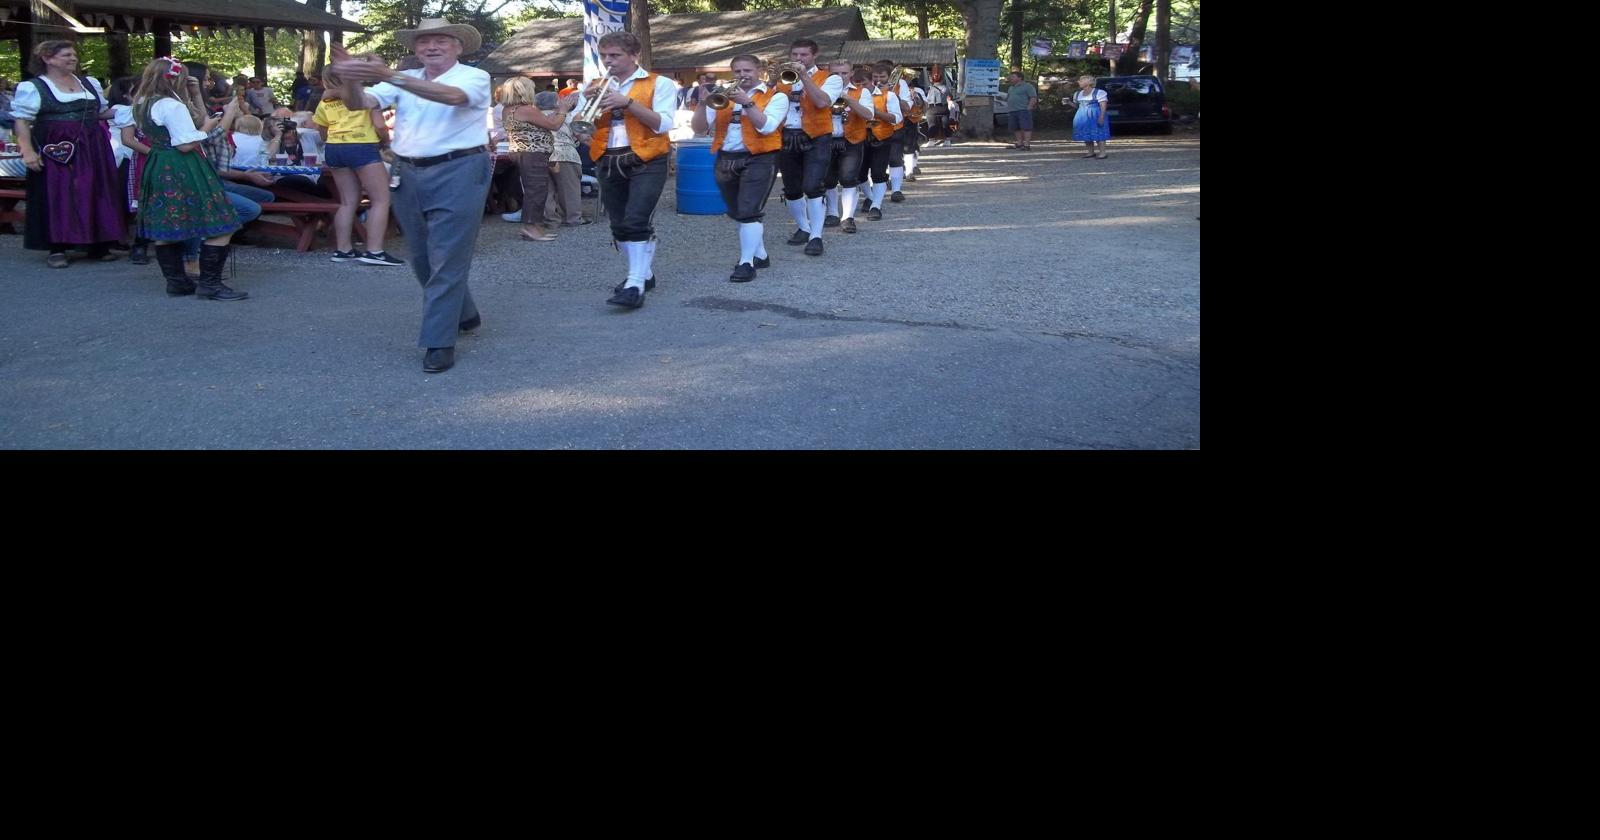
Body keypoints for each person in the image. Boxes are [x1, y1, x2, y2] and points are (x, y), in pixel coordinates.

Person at [329, 17, 493, 374]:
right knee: (420, 257)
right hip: (407, 171)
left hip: (460, 169)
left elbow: (452, 97)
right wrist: (350, 78)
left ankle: (438, 341)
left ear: (458, 47)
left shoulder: (473, 77)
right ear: (414, 49)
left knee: (447, 255)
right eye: (423, 42)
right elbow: (358, 104)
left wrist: (390, 75)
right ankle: (464, 313)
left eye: (441, 41)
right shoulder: (405, 78)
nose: (431, 47)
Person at [567, 30, 679, 309]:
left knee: (636, 220)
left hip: (647, 158)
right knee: (618, 225)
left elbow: (663, 124)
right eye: (604, 56)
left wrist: (627, 102)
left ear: (634, 56)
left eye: (615, 55)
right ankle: (644, 275)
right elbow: (578, 123)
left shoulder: (659, 83)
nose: (608, 61)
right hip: (607, 157)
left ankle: (634, 284)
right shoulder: (596, 84)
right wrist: (584, 108)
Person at [132, 57, 246, 300]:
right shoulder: (171, 106)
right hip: (183, 165)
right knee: (220, 223)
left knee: (168, 225)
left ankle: (177, 282)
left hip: (159, 164)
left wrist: (194, 96)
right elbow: (186, 144)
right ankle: (210, 285)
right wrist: (210, 126)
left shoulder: (141, 102)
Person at [11, 40, 125, 268]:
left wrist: (135, 110)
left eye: (73, 54)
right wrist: (28, 152)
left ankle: (97, 244)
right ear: (47, 58)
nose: (73, 58)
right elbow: (22, 121)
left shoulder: (89, 83)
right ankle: (57, 247)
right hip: (56, 148)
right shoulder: (34, 87)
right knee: (59, 193)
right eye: (66, 55)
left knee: (96, 189)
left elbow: (101, 113)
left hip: (93, 146)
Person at [690, 54, 787, 283]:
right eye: (738, 72)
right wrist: (703, 104)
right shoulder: (723, 96)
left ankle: (746, 263)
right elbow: (699, 129)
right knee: (737, 211)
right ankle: (760, 254)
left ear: (759, 71)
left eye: (747, 71)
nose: (742, 75)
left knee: (748, 210)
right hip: (726, 157)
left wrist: (747, 102)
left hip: (761, 157)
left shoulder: (777, 96)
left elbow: (767, 127)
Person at [312, 64, 401, 265]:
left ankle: (343, 250)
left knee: (347, 202)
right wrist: (386, 142)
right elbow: (379, 125)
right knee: (381, 199)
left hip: (334, 149)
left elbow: (322, 131)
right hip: (362, 146)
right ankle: (374, 251)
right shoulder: (366, 95)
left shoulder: (325, 101)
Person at [774, 39, 844, 257]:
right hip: (788, 135)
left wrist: (804, 76)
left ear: (815, 55)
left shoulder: (830, 78)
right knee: (792, 188)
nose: (798, 59)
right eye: (795, 55)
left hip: (817, 138)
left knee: (813, 186)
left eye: (803, 55)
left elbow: (823, 102)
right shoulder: (783, 79)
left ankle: (816, 236)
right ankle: (803, 228)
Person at [497, 76, 571, 243]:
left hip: (524, 153)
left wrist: (556, 112)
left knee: (535, 190)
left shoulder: (509, 109)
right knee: (536, 191)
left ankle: (535, 226)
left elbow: (543, 122)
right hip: (532, 153)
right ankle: (530, 227)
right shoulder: (525, 109)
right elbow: (554, 125)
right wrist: (563, 111)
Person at [820, 60, 873, 235]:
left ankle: (847, 217)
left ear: (851, 74)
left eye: (844, 73)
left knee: (849, 178)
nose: (840, 77)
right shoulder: (822, 90)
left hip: (852, 140)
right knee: (828, 179)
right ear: (829, 73)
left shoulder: (861, 91)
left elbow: (868, 114)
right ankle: (833, 213)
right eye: (836, 73)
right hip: (826, 138)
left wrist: (849, 99)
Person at [858, 64, 901, 222]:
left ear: (870, 82)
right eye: (858, 84)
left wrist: (875, 112)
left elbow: (897, 118)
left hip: (881, 138)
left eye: (864, 84)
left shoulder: (888, 95)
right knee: (859, 174)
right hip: (858, 138)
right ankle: (870, 197)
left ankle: (876, 206)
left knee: (878, 173)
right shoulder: (852, 95)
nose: (861, 87)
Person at [540, 91, 587, 228]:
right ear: (556, 102)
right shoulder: (565, 116)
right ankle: (572, 218)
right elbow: (580, 136)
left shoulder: (536, 116)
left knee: (546, 190)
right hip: (566, 154)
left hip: (542, 154)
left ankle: (551, 220)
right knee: (569, 189)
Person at [1070, 74, 1110, 158]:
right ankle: (1090, 152)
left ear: (1088, 82)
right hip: (1082, 115)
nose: (1079, 82)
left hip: (1095, 115)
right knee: (1086, 133)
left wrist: (1102, 117)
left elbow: (1103, 105)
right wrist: (1068, 103)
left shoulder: (1099, 92)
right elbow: (1077, 106)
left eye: (1081, 80)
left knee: (1099, 133)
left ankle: (1103, 153)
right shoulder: (1078, 94)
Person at [1004, 70, 1037, 150]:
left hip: (1023, 109)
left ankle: (1027, 145)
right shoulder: (1011, 87)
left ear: (1020, 78)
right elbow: (1008, 97)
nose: (1010, 78)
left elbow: (1033, 97)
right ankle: (1019, 143)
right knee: (1015, 128)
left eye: (1013, 77)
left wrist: (1029, 107)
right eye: (1010, 77)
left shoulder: (1027, 86)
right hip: (1012, 110)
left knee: (1026, 127)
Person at [925, 67, 952, 147]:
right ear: (941, 79)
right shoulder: (946, 88)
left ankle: (931, 141)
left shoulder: (929, 89)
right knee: (945, 125)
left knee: (932, 125)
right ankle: (948, 140)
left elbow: (926, 100)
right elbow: (950, 97)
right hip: (943, 108)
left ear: (932, 79)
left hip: (931, 109)